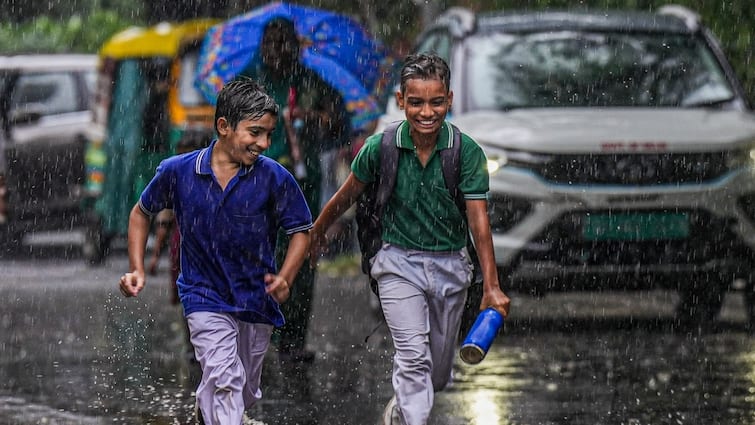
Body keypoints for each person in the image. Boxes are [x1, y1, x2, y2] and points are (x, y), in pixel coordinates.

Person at [310, 53, 511, 425]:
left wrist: (492, 287)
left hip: (452, 266)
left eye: (436, 102)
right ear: (401, 101)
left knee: (436, 374)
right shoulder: (380, 148)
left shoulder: (466, 153)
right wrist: (315, 233)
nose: (426, 112)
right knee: (413, 359)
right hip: (397, 263)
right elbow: (346, 196)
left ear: (449, 100)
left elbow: (478, 223)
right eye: (416, 102)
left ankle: (403, 410)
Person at [118, 77, 312, 424]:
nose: (264, 143)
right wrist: (137, 267)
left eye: (268, 134)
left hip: (256, 298)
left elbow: (301, 231)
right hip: (202, 295)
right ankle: (218, 405)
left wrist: (286, 276)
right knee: (227, 381)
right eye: (255, 133)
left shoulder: (274, 178)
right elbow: (141, 213)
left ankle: (209, 407)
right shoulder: (178, 172)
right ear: (223, 126)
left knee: (246, 390)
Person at [242, 17, 350, 362]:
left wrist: (314, 117)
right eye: (270, 43)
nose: (276, 50)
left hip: (301, 185)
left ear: (296, 46)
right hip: (254, 183)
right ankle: (252, 336)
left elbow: (339, 122)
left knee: (299, 258)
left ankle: (292, 340)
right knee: (253, 257)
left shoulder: (311, 81)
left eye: (283, 42)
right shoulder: (248, 81)